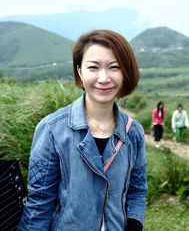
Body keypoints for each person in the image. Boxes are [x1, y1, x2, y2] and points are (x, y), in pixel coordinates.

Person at [18, 30, 147, 231]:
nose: (104, 78)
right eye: (93, 67)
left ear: (125, 72)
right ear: (80, 71)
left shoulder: (134, 133)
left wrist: (134, 224)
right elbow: (39, 204)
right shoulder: (53, 129)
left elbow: (137, 190)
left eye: (114, 67)